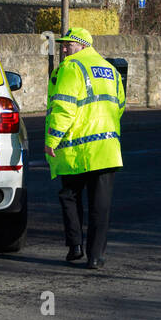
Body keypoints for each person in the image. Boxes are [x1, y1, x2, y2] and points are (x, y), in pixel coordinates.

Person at [45, 26, 125, 269]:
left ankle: (75, 245)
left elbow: (64, 108)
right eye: (63, 45)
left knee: (69, 196)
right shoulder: (111, 70)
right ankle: (96, 257)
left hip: (77, 149)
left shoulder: (71, 68)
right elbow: (119, 105)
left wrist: (52, 140)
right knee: (100, 205)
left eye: (69, 44)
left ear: (83, 45)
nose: (65, 48)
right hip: (107, 149)